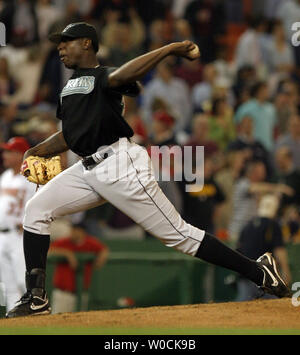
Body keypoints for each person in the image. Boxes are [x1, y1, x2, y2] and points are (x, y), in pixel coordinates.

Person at [6, 22, 291, 318]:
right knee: (36, 209)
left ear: (88, 44)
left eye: (67, 41)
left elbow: (124, 75)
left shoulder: (104, 76)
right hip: (86, 169)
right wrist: (36, 150)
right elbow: (70, 135)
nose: (61, 47)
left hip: (120, 165)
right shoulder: (69, 87)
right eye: (59, 43)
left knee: (179, 235)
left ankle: (259, 272)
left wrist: (168, 49)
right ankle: (36, 297)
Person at [0, 137, 36, 312]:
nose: (4, 155)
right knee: (8, 285)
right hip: (2, 235)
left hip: (20, 235)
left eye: (9, 151)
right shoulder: (5, 176)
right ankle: (13, 321)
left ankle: (36, 319)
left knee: (24, 282)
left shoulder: (31, 176)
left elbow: (39, 202)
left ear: (20, 154)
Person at [236, 194, 291, 301]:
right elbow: (279, 250)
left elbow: (239, 248)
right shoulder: (273, 225)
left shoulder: (248, 224)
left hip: (245, 273)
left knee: (244, 306)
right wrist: (286, 270)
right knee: (272, 307)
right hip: (265, 275)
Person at [48, 222, 108, 314]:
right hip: (63, 292)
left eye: (77, 230)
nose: (74, 232)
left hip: (81, 292)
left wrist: (100, 259)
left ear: (83, 232)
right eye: (73, 230)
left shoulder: (89, 242)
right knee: (57, 321)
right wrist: (67, 254)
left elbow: (104, 250)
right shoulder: (65, 242)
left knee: (79, 323)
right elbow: (49, 250)